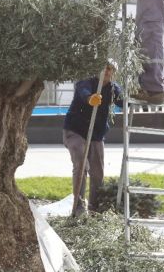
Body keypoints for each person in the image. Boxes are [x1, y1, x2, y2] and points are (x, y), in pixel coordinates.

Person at [63, 62, 123, 215]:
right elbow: (83, 92)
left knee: (97, 172)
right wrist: (90, 98)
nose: (108, 72)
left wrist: (134, 96)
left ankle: (95, 209)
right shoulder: (87, 82)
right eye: (106, 68)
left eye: (111, 70)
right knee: (82, 164)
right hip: (75, 131)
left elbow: (123, 100)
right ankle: (78, 207)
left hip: (96, 134)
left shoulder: (113, 89)